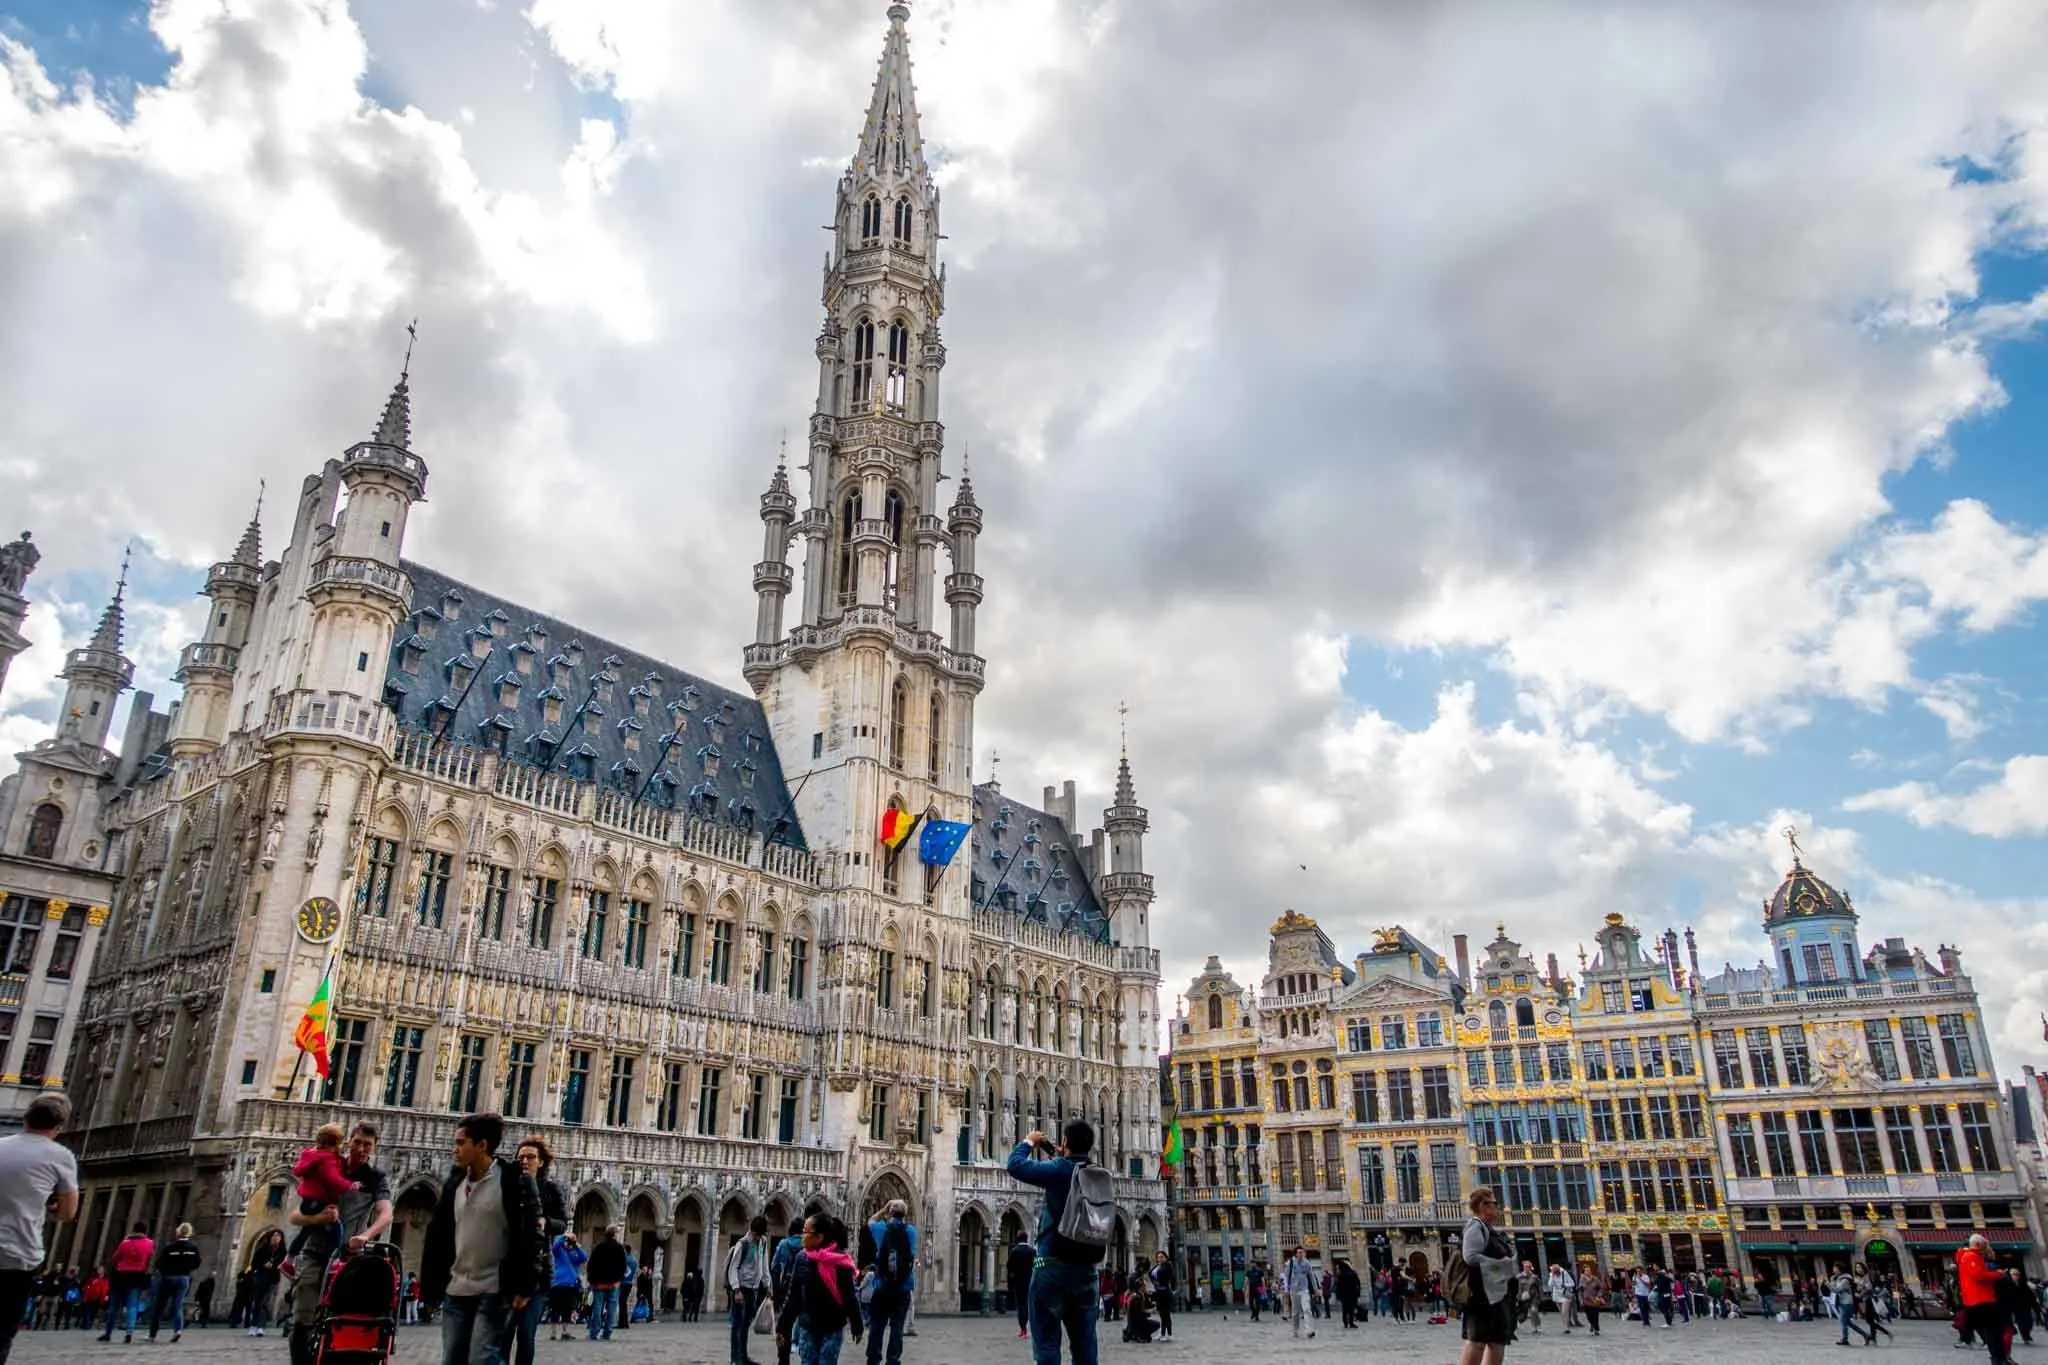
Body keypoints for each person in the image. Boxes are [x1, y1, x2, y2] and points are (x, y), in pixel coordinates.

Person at [418, 1112, 548, 1365]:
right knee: (453, 1359)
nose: (455, 1149)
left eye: (460, 1143)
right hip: (457, 1286)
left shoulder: (514, 1181)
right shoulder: (454, 1183)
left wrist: (526, 1285)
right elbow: (438, 1236)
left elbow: (532, 1236)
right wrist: (432, 1285)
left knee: (482, 1357)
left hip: (494, 1288)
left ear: (482, 1145)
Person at [286, 1121, 393, 1365]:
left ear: (375, 1148)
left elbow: (385, 1213)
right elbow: (295, 1216)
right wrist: (318, 1218)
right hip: (316, 1251)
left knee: (348, 1320)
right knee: (302, 1319)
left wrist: (366, 1235)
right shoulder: (328, 1165)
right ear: (348, 1142)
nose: (361, 1149)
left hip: (349, 1258)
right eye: (357, 1142)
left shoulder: (375, 1178)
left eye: (368, 1145)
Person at [1007, 1120, 1108, 1365]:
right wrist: (1053, 1150)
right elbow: (1070, 1166)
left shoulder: (1059, 1171)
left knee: (1047, 1348)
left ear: (1065, 1142)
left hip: (1052, 1269)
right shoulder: (1100, 1174)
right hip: (1087, 1272)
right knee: (1085, 1349)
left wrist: (1029, 1141)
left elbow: (1016, 1165)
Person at [0, 1093, 79, 1365]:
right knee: (2, 1332)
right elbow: (69, 1212)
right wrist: (50, 1204)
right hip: (17, 1254)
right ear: (60, 1125)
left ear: (26, 1118)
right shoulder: (60, 1157)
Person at [774, 1214, 863, 1365]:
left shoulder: (840, 1261)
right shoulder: (802, 1258)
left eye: (806, 1232)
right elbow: (793, 1295)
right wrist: (783, 1326)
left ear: (819, 1237)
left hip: (832, 1327)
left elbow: (849, 1296)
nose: (802, 1236)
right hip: (808, 1325)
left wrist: (857, 1325)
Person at [513, 1140, 569, 1365]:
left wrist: (547, 1222)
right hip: (508, 1269)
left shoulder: (550, 1189)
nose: (524, 1161)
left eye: (530, 1156)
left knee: (526, 1335)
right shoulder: (510, 1187)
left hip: (538, 1270)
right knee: (503, 1334)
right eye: (521, 1157)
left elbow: (563, 1223)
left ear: (541, 1161)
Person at [281, 1124, 356, 1281]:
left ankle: (289, 1260)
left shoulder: (311, 1154)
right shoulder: (326, 1158)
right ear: (334, 1144)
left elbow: (298, 1170)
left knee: (306, 1231)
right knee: (337, 1229)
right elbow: (332, 1178)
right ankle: (335, 1260)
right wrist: (349, 1185)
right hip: (319, 1200)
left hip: (308, 1201)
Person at [1458, 1187, 1516, 1365]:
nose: (1497, 1207)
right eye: (1494, 1203)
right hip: (1481, 1297)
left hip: (1497, 1296)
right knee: (1478, 1342)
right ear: (1483, 1206)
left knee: (1497, 1342)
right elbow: (1471, 1256)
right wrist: (1500, 1264)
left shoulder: (1490, 1229)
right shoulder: (1476, 1226)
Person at [861, 1202, 916, 1365]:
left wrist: (883, 1210)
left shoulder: (881, 1228)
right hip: (903, 1287)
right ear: (905, 1214)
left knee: (877, 1325)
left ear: (890, 1213)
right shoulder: (911, 1231)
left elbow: (870, 1222)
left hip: (882, 1286)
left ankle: (873, 1358)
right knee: (897, 1327)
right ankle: (893, 1359)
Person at [727, 1214, 773, 1365]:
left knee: (745, 1324)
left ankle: (743, 1356)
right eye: (758, 1235)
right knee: (737, 1325)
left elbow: (764, 1264)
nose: (759, 1237)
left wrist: (767, 1285)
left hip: (754, 1289)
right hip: (742, 1289)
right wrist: (736, 1289)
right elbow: (733, 1268)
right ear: (752, 1231)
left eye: (762, 1235)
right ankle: (736, 1359)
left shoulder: (763, 1243)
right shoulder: (743, 1243)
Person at [100, 1222, 156, 1343]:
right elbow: (149, 1256)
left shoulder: (125, 1242)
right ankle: (129, 1332)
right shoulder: (149, 1243)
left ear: (134, 1230)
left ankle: (108, 1333)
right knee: (132, 1306)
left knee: (114, 1306)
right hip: (136, 1276)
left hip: (121, 1275)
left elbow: (115, 1257)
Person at [147, 1223, 203, 1342]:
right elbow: (197, 1262)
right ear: (189, 1233)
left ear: (178, 1232)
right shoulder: (193, 1248)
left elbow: (159, 1263)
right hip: (183, 1278)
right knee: (177, 1306)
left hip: (168, 1277)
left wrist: (166, 1271)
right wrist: (187, 1269)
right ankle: (177, 1330)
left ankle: (152, 1334)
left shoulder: (170, 1247)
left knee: (159, 1306)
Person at [772, 1217, 808, 1365]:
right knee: (805, 1323)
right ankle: (805, 1356)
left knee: (785, 1324)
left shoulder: (783, 1244)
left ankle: (783, 1358)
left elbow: (775, 1267)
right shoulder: (807, 1245)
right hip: (804, 1286)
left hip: (786, 1286)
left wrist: (775, 1291)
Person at [583, 1225, 627, 1342]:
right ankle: (607, 1332)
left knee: (597, 1307)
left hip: (598, 1282)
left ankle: (594, 1332)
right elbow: (623, 1266)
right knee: (611, 1308)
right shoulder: (619, 1248)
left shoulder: (598, 1247)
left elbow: (591, 1265)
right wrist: (619, 1279)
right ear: (614, 1234)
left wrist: (591, 1280)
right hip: (613, 1283)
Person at [243, 1230, 286, 1337]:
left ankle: (261, 1326)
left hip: (273, 1279)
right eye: (274, 1236)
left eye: (278, 1236)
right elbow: (254, 1263)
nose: (276, 1238)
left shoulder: (282, 1251)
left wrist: (274, 1265)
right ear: (270, 1237)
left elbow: (283, 1263)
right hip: (261, 1278)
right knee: (257, 1302)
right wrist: (263, 1265)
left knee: (265, 1302)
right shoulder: (262, 1250)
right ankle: (253, 1325)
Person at [546, 1232, 585, 1341]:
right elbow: (555, 1246)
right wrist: (565, 1236)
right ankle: (553, 1332)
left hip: (571, 1284)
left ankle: (565, 1331)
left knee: (567, 1309)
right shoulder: (558, 1252)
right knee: (555, 1309)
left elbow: (583, 1257)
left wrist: (576, 1245)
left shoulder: (573, 1253)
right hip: (558, 1283)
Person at [1830, 1265, 1872, 1345]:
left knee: (1843, 1321)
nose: (1833, 1271)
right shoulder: (1839, 1279)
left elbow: (1837, 1290)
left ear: (1840, 1270)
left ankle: (1845, 1339)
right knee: (1847, 1322)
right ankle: (1865, 1335)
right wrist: (1833, 1281)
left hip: (1847, 1303)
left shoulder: (1845, 1280)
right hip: (1843, 1302)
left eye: (1835, 1269)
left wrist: (1829, 1283)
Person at [1006, 1231, 1035, 1340]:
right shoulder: (1032, 1251)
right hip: (1029, 1280)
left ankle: (1023, 1329)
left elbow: (1009, 1266)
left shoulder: (1014, 1251)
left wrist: (1011, 1281)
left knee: (1021, 1304)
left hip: (1018, 1282)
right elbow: (1038, 1264)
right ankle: (1027, 1328)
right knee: (1028, 1304)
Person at [1282, 1247, 1315, 1339]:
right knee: (1295, 1312)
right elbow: (1286, 1276)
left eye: (1303, 1252)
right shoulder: (1290, 1263)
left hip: (1304, 1289)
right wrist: (1286, 1289)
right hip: (1294, 1290)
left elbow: (1311, 1276)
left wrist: (1316, 1288)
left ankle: (1309, 1330)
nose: (1301, 1254)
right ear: (1296, 1254)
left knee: (1307, 1309)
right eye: (1299, 1252)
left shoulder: (1307, 1263)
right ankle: (1295, 1330)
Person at [1148, 1250, 1175, 1338]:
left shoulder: (1168, 1266)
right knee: (1161, 1313)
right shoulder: (1157, 1266)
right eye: (1158, 1257)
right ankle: (1162, 1332)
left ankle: (1169, 1333)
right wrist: (1154, 1283)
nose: (1160, 1258)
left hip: (1165, 1292)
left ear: (1165, 1257)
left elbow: (1172, 1277)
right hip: (1158, 1292)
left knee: (1166, 1314)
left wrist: (1173, 1288)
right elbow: (1151, 1274)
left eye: (1162, 1257)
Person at [1577, 1262, 1606, 1335]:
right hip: (1586, 1299)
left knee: (1595, 1314)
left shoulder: (1595, 1279)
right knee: (1589, 1315)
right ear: (1584, 1272)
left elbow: (1601, 1288)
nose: (1588, 1272)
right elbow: (1580, 1290)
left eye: (1589, 1270)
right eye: (1586, 1271)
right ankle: (1592, 1324)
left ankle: (1596, 1329)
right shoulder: (1582, 1279)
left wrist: (1599, 1295)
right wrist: (1581, 1300)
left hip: (1595, 1299)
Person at [1335, 1259, 1362, 1328]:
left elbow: (1339, 1286)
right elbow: (1357, 1283)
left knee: (1345, 1309)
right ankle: (1351, 1322)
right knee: (1351, 1309)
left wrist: (1338, 1295)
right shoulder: (1352, 1273)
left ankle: (1345, 1322)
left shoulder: (1341, 1275)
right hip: (1352, 1294)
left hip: (1344, 1295)